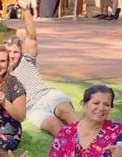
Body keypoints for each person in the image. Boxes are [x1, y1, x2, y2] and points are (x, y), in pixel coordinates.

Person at [6, 1, 80, 136]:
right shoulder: (1, 71)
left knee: (65, 112)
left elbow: (31, 36)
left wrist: (26, 10)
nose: (11, 56)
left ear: (21, 52)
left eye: (15, 52)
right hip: (32, 108)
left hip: (47, 95)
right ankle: (75, 151)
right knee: (53, 125)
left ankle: (97, 140)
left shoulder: (26, 59)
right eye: (8, 52)